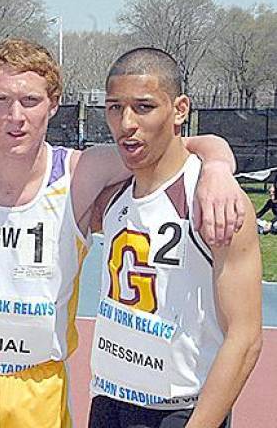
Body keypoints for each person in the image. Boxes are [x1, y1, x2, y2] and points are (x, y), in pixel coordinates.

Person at [0, 38, 244, 428]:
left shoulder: (81, 173)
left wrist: (217, 163)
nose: (16, 116)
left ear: (53, 104)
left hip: (36, 386)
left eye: (30, 101)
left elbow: (168, 145)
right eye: (2, 100)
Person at [87, 47, 262, 428]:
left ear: (180, 110)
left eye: (144, 107)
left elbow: (246, 337)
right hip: (108, 400)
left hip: (177, 410)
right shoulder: (111, 191)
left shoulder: (216, 201)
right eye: (115, 107)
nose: (126, 122)